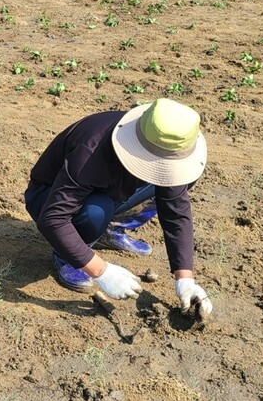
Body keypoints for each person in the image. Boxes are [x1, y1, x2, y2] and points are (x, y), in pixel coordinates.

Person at [25, 98, 213, 318]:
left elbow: (177, 212)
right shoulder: (91, 151)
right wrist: (100, 271)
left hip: (111, 188)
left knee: (179, 180)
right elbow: (53, 218)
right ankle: (68, 255)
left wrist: (185, 278)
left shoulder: (163, 144)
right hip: (49, 197)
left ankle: (111, 229)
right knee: (95, 211)